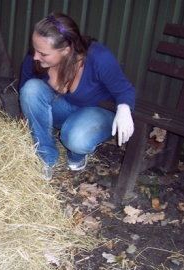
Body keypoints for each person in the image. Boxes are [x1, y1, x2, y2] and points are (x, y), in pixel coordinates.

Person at [19, 12, 135, 181]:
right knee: (31, 89)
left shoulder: (99, 58)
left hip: (97, 112)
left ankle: (77, 153)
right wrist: (27, 116)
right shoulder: (36, 58)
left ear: (66, 51)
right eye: (34, 49)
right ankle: (45, 158)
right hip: (65, 106)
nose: (35, 57)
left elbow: (124, 90)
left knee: (76, 138)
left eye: (43, 53)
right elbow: (26, 89)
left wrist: (124, 109)